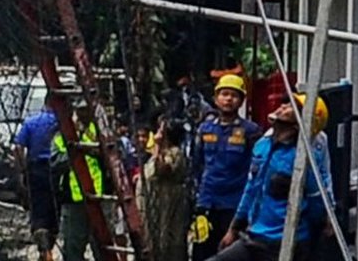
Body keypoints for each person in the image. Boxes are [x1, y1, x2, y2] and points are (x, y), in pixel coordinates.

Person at [208, 93, 330, 261]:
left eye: (291, 107)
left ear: (301, 123)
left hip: (284, 243)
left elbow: (317, 203)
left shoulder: (304, 158)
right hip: (253, 236)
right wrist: (234, 229)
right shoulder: (262, 146)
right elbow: (250, 189)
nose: (282, 107)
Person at [192, 75, 261, 260]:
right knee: (202, 252)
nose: (228, 99)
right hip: (207, 203)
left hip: (234, 205)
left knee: (231, 254)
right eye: (224, 94)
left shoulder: (251, 131)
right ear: (216, 99)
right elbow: (196, 166)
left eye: (234, 95)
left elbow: (257, 171)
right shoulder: (204, 129)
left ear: (241, 101)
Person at [51, 100, 105, 261]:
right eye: (80, 110)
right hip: (74, 200)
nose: (84, 114)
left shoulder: (98, 131)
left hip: (99, 198)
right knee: (73, 248)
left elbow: (107, 154)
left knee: (102, 246)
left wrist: (86, 140)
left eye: (86, 110)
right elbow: (55, 162)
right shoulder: (63, 135)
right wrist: (74, 150)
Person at [14, 95, 60, 261]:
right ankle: (48, 249)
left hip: (36, 170)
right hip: (56, 171)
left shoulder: (31, 122)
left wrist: (22, 170)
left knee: (38, 211)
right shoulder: (61, 123)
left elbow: (18, 147)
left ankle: (44, 250)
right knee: (54, 210)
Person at [137, 118, 191, 261]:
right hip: (151, 207)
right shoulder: (155, 151)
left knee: (166, 245)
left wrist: (159, 146)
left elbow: (163, 169)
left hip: (165, 208)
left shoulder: (174, 153)